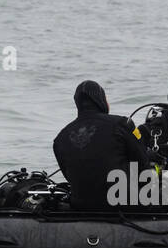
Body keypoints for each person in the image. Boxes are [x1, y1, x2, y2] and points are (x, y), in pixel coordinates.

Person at [53, 80, 152, 211]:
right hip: (124, 205)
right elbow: (142, 165)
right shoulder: (123, 124)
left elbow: (69, 177)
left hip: (81, 207)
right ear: (100, 100)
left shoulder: (60, 138)